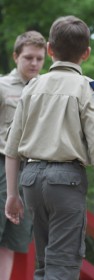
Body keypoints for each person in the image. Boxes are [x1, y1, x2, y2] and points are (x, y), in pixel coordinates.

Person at [4, 15, 94, 280]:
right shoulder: (91, 88)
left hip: (30, 180)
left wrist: (11, 194)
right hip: (66, 182)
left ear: (50, 50)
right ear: (86, 53)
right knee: (63, 266)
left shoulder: (31, 86)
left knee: (44, 265)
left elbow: (12, 146)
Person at [0, 30, 46, 280]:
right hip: (2, 164)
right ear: (16, 56)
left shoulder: (46, 89)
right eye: (28, 57)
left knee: (14, 238)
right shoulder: (2, 86)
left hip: (31, 169)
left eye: (39, 58)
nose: (34, 64)